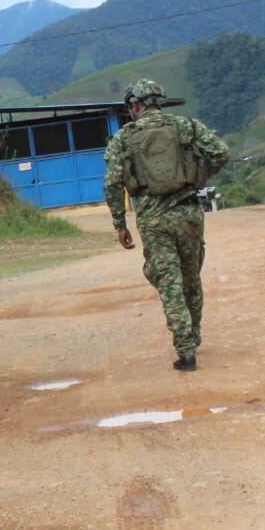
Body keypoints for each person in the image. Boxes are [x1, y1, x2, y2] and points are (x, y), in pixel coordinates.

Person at [103, 79, 229, 372]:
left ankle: (185, 351)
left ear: (135, 105)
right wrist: (198, 177)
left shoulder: (124, 137)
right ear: (159, 100)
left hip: (152, 219)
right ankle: (193, 336)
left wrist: (119, 223)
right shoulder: (186, 126)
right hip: (188, 214)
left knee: (168, 282)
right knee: (190, 278)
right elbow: (220, 153)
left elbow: (112, 183)